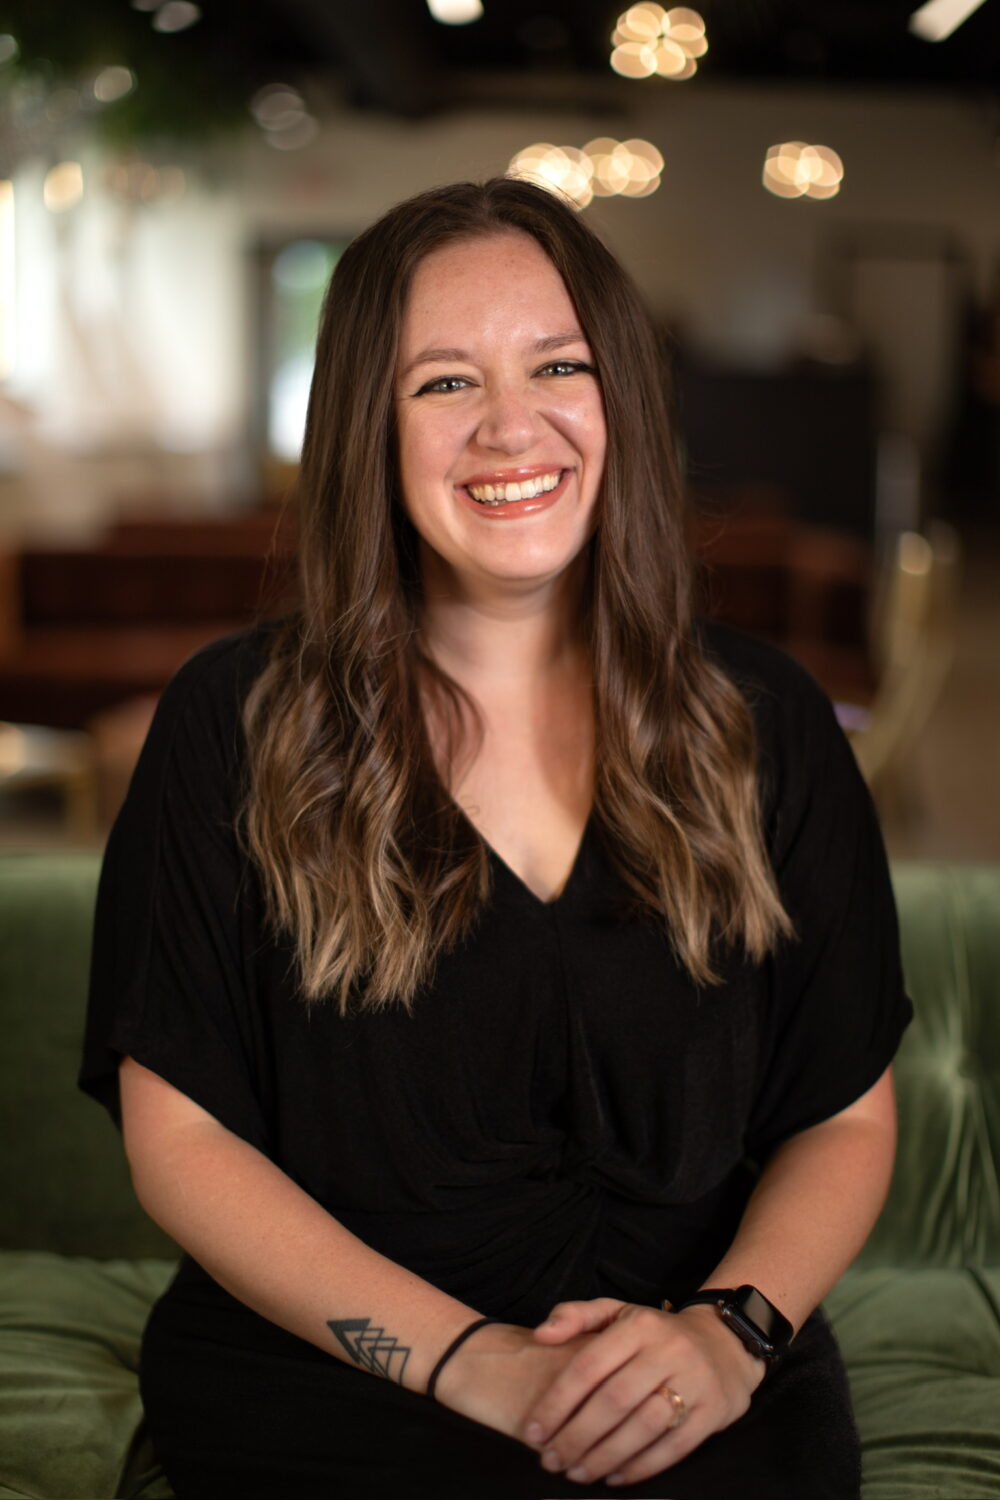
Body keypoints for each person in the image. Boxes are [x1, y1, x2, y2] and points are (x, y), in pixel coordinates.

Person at [80, 177, 911, 1499]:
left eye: (558, 365)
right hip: (340, 1384)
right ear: (367, 427)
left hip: (696, 1383)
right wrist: (474, 1362)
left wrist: (734, 1334)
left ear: (621, 400)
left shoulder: (768, 721)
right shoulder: (231, 724)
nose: (511, 425)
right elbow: (180, 1141)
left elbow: (845, 1115)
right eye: (443, 383)